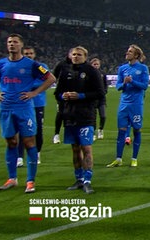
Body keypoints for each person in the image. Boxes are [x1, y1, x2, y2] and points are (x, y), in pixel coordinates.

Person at [0, 34, 56, 193]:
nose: (11, 44)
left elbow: (51, 78)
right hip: (6, 108)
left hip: (24, 108)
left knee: (29, 143)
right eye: (9, 42)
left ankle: (30, 181)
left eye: (15, 42)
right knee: (11, 142)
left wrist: (34, 93)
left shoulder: (33, 64)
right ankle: (12, 179)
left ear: (21, 45)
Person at [54, 46, 104, 194]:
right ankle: (79, 179)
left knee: (86, 148)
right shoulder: (65, 72)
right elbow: (57, 93)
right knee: (75, 150)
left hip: (86, 116)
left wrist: (80, 96)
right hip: (70, 116)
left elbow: (100, 93)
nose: (76, 57)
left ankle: (88, 181)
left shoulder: (91, 71)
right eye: (74, 54)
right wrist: (63, 96)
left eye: (79, 54)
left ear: (85, 57)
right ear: (70, 56)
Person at [107, 45, 149, 168]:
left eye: (130, 52)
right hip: (124, 104)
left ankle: (134, 158)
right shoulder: (122, 68)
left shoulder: (143, 68)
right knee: (121, 131)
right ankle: (118, 158)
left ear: (136, 55)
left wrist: (132, 81)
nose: (127, 53)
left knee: (136, 131)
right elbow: (118, 87)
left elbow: (145, 86)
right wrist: (124, 83)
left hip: (136, 104)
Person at [16, 47, 49, 166]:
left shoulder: (41, 66)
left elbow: (46, 81)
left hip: (38, 103)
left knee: (38, 130)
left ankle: (37, 154)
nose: (29, 55)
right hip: (22, 103)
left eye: (31, 53)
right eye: (26, 53)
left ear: (34, 55)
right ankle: (19, 157)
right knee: (21, 130)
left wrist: (27, 85)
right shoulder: (18, 66)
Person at [52, 50, 72, 144]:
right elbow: (53, 76)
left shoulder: (82, 66)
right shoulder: (61, 65)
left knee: (72, 115)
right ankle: (56, 134)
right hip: (62, 94)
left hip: (74, 95)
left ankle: (69, 135)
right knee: (60, 114)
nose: (74, 56)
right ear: (68, 54)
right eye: (73, 54)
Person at [90, 58, 108, 140]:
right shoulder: (88, 74)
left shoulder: (103, 74)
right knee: (92, 117)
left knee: (103, 116)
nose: (96, 66)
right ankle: (93, 133)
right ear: (91, 65)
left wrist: (104, 92)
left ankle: (100, 129)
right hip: (92, 99)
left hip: (101, 99)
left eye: (97, 64)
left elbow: (105, 85)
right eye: (94, 64)